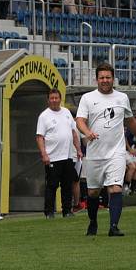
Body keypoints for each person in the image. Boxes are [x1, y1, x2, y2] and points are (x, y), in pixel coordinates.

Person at [76, 63, 136, 237]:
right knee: (93, 192)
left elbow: (130, 121)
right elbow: (80, 120)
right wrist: (87, 132)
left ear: (113, 79)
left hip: (116, 152)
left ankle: (114, 226)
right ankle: (93, 222)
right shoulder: (87, 98)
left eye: (108, 77)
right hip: (95, 154)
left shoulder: (122, 98)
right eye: (102, 78)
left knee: (115, 188)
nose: (105, 80)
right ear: (97, 79)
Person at [35, 89, 82, 218]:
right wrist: (44, 154)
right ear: (48, 100)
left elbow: (73, 133)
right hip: (53, 158)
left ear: (60, 99)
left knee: (67, 185)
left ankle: (67, 210)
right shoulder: (44, 116)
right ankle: (49, 212)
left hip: (67, 156)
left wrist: (78, 149)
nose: (54, 100)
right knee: (52, 185)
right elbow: (40, 137)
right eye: (52, 98)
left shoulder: (66, 112)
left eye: (56, 98)